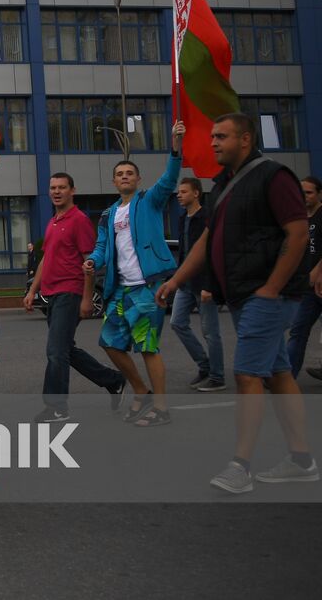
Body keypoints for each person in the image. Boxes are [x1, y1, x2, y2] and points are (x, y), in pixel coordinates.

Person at [156, 113, 316, 492]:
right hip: (246, 293)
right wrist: (177, 280)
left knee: (247, 375)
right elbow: (206, 241)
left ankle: (240, 466)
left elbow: (297, 234)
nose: (213, 142)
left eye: (221, 136)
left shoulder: (274, 176)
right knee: (278, 372)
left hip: (267, 293)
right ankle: (302, 460)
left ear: (245, 139)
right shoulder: (223, 184)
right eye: (213, 136)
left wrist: (272, 287)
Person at [84, 120, 185, 427]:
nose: (125, 176)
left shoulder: (149, 201)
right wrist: (92, 260)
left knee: (147, 347)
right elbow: (102, 246)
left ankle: (161, 408)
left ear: (138, 179)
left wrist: (175, 148)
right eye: (120, 174)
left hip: (147, 287)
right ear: (114, 182)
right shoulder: (108, 214)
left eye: (130, 173)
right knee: (109, 343)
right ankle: (141, 390)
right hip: (120, 290)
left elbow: (169, 179)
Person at [23, 173, 125, 421]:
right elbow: (45, 259)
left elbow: (89, 262)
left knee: (56, 351)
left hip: (70, 292)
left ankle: (57, 407)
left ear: (72, 190)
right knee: (65, 349)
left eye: (62, 187)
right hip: (52, 294)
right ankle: (113, 380)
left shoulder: (79, 220)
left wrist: (87, 298)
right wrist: (33, 289)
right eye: (53, 188)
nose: (56, 192)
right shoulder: (53, 221)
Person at [170, 177, 225, 391]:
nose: (179, 195)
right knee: (177, 322)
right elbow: (185, 252)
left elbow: (212, 253)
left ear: (196, 194)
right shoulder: (182, 218)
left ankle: (217, 377)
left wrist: (209, 285)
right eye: (178, 192)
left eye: (183, 192)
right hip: (186, 283)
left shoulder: (206, 218)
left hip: (204, 283)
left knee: (210, 332)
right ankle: (205, 365)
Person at [285, 176, 321, 377]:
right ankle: (287, 377)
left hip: (318, 281)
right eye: (302, 192)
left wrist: (318, 271)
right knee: (298, 330)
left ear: (319, 194)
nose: (304, 196)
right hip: (307, 287)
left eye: (309, 192)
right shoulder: (299, 218)